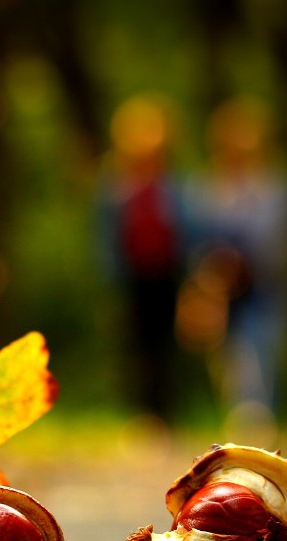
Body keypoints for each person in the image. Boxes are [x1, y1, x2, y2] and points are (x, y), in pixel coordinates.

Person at [179, 96, 287, 442]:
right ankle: (241, 421)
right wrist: (210, 276)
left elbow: (276, 241)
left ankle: (259, 424)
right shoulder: (203, 188)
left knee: (261, 351)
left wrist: (243, 264)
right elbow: (194, 239)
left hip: (263, 286)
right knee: (227, 359)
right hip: (217, 289)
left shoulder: (273, 188)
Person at [96, 94, 188, 421]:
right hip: (133, 276)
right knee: (136, 344)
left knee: (166, 344)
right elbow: (108, 234)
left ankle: (166, 413)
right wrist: (111, 271)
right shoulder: (117, 184)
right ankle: (143, 413)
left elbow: (184, 229)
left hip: (167, 273)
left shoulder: (173, 184)